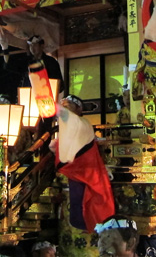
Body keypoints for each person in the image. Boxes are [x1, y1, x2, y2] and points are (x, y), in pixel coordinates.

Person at [51, 94, 115, 232]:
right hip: (71, 174)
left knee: (87, 207)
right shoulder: (67, 127)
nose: (65, 108)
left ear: (79, 109)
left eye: (68, 105)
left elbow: (68, 119)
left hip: (84, 171)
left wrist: (50, 104)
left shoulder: (82, 123)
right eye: (64, 105)